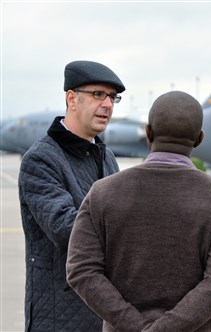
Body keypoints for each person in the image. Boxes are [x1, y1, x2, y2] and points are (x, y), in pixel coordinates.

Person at [66, 91, 211, 331]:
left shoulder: (102, 193)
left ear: (148, 132)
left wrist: (134, 325)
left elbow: (81, 271)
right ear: (199, 139)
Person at [18, 60, 125, 331]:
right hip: (60, 315)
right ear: (71, 99)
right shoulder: (41, 159)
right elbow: (68, 229)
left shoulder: (107, 157)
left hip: (106, 310)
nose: (108, 104)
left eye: (112, 97)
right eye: (97, 94)